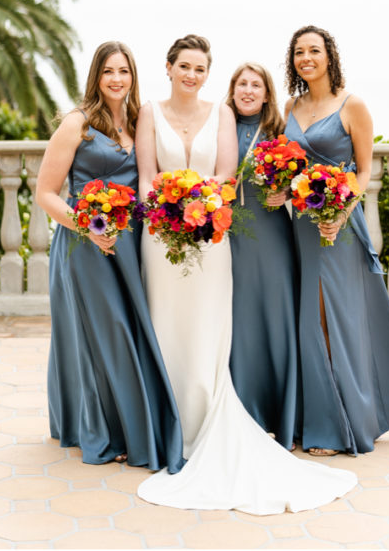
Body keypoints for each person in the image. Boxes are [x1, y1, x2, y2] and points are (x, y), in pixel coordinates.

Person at [135, 34, 355, 514]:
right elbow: (147, 176)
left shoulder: (240, 119)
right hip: (170, 234)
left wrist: (198, 200)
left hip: (219, 234)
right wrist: (168, 206)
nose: (193, 75)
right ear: (169, 67)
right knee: (170, 326)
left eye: (201, 69)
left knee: (222, 328)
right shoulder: (150, 112)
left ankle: (234, 416)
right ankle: (166, 423)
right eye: (185, 66)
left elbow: (229, 177)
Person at [282, 25, 389, 456]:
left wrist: (338, 214)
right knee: (307, 319)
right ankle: (314, 416)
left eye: (314, 50)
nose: (306, 58)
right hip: (300, 226)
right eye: (299, 52)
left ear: (329, 55)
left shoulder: (353, 106)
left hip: (337, 226)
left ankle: (339, 424)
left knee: (332, 318)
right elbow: (282, 164)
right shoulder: (290, 106)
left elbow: (364, 173)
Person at [35, 41, 184, 471]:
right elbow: (46, 193)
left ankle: (129, 422)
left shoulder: (140, 122)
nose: (117, 79)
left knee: (131, 329)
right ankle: (105, 433)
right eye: (108, 72)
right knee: (105, 333)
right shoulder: (76, 125)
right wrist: (88, 227)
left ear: (133, 77)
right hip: (85, 245)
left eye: (124, 71)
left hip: (130, 243)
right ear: (95, 77)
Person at [225, 62, 300, 451]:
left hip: (270, 234)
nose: (249, 90)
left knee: (275, 316)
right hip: (229, 235)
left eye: (256, 85)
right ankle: (241, 411)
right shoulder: (218, 126)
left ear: (267, 93)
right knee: (238, 319)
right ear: (233, 89)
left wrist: (286, 193)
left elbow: (304, 175)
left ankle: (280, 414)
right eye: (242, 84)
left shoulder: (279, 132)